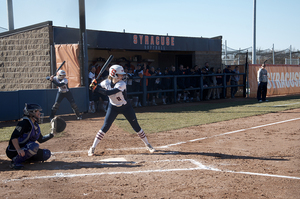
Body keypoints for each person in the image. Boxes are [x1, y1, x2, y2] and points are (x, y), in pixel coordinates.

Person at [88, 65, 156, 156]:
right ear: (114, 74)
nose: (122, 76)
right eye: (120, 74)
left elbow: (108, 92)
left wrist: (95, 88)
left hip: (126, 107)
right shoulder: (106, 82)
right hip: (113, 107)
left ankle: (148, 144)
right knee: (105, 126)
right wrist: (94, 84)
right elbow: (99, 86)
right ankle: (92, 147)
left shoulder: (122, 84)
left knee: (136, 126)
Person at [6, 103, 54, 169]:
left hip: (26, 148)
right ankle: (15, 162)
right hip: (13, 150)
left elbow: (40, 139)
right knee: (33, 146)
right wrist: (18, 149)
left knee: (46, 154)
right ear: (32, 113)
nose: (40, 113)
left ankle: (24, 159)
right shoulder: (24, 123)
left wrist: (52, 134)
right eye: (38, 112)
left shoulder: (35, 124)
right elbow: (14, 137)